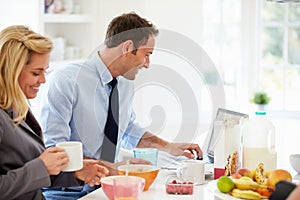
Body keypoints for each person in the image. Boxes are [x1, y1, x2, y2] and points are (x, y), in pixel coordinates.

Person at [39, 12, 202, 199]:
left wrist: (168, 147)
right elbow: (54, 150)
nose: (147, 64)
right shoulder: (65, 81)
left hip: (107, 186)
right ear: (127, 47)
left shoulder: (124, 83)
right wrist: (112, 168)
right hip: (68, 192)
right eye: (146, 54)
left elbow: (128, 129)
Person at [0, 25, 109, 200]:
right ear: (11, 70)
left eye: (45, 71)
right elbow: (33, 171)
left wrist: (75, 173)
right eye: (36, 72)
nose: (43, 80)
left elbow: (30, 173)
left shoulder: (18, 108)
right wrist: (41, 167)